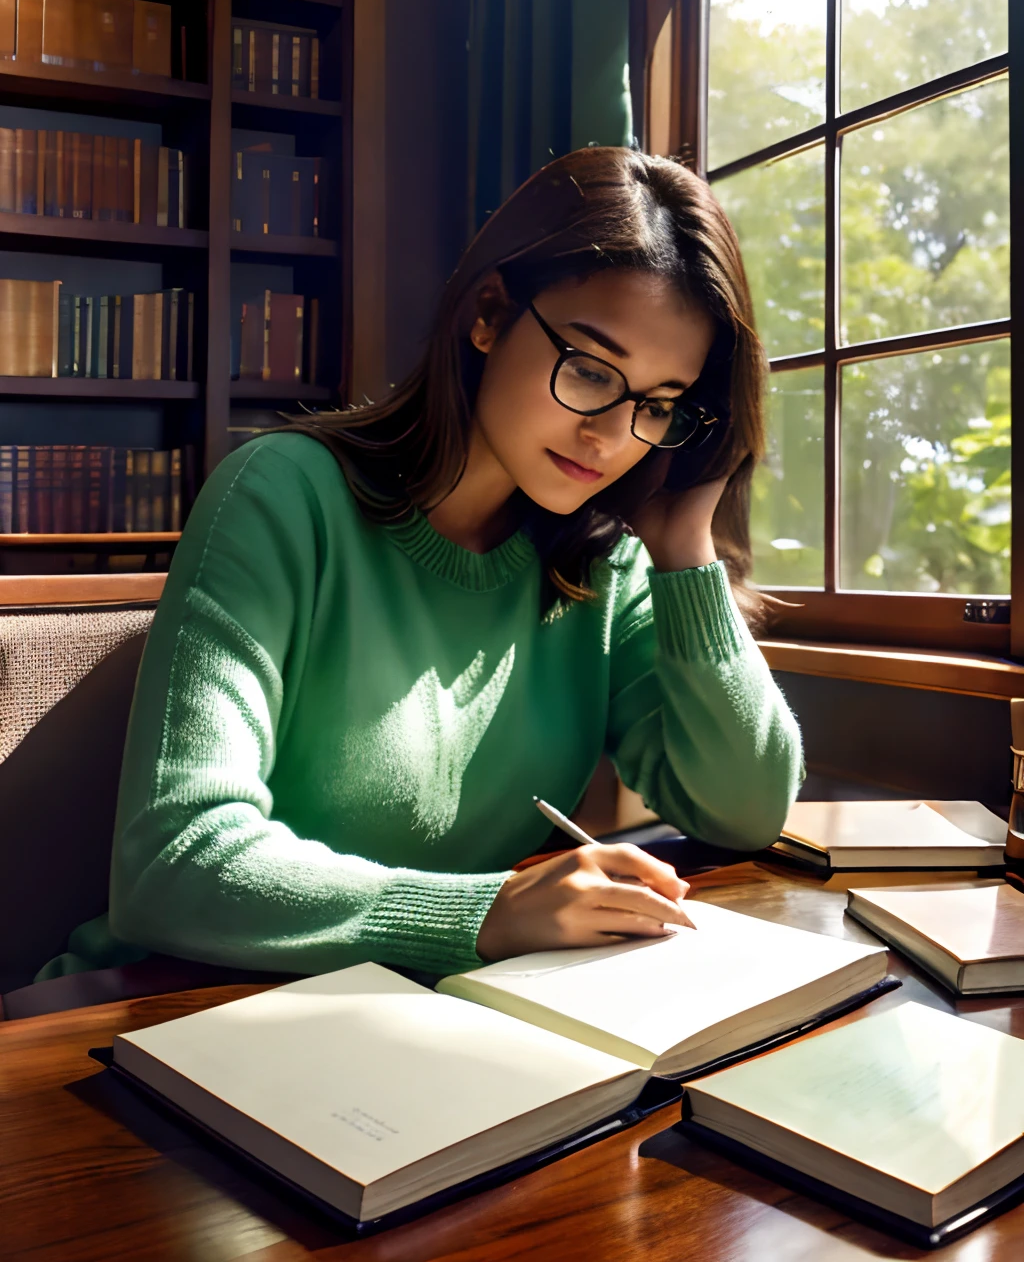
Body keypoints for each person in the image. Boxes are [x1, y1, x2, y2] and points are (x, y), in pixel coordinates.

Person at [42, 146, 802, 984]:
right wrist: (485, 914)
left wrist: (686, 550)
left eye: (657, 404)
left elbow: (745, 809)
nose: (612, 435)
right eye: (590, 369)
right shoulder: (283, 497)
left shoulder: (603, 560)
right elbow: (173, 866)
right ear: (488, 313)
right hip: (165, 1004)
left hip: (412, 1010)